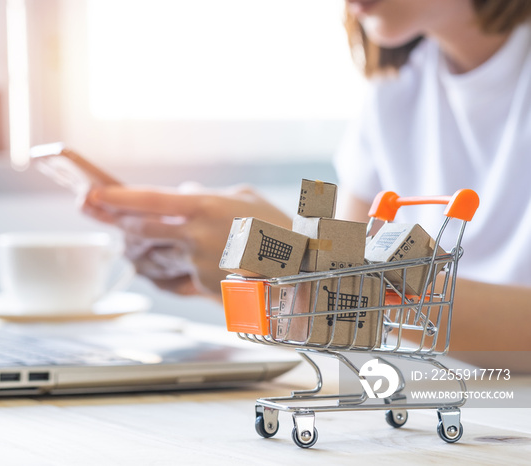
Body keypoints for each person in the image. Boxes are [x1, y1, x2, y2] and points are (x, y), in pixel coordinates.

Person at [83, 0, 531, 368]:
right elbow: (353, 315)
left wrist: (298, 262)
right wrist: (250, 273)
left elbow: (353, 288)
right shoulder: (393, 93)